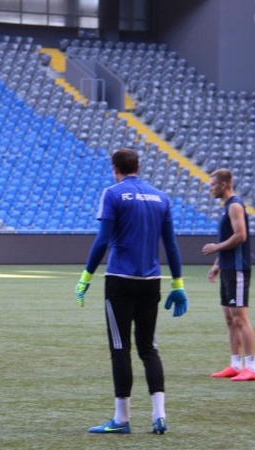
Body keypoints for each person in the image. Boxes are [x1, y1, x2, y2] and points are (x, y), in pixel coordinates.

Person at [74, 148, 188, 435]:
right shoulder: (161, 198)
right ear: (138, 166)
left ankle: (122, 419)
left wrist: (86, 276)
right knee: (149, 348)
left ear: (115, 169)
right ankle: (159, 415)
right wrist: (178, 284)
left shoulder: (113, 194)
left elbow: (102, 240)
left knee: (120, 347)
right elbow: (171, 245)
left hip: (120, 280)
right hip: (151, 280)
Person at [202, 168, 255, 382]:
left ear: (224, 184)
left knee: (240, 318)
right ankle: (236, 365)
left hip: (237, 269)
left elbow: (240, 236)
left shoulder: (235, 205)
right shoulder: (227, 206)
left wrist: (215, 248)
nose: (210, 188)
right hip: (227, 267)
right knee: (229, 318)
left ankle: (251, 367)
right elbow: (229, 239)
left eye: (212, 185)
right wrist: (217, 264)